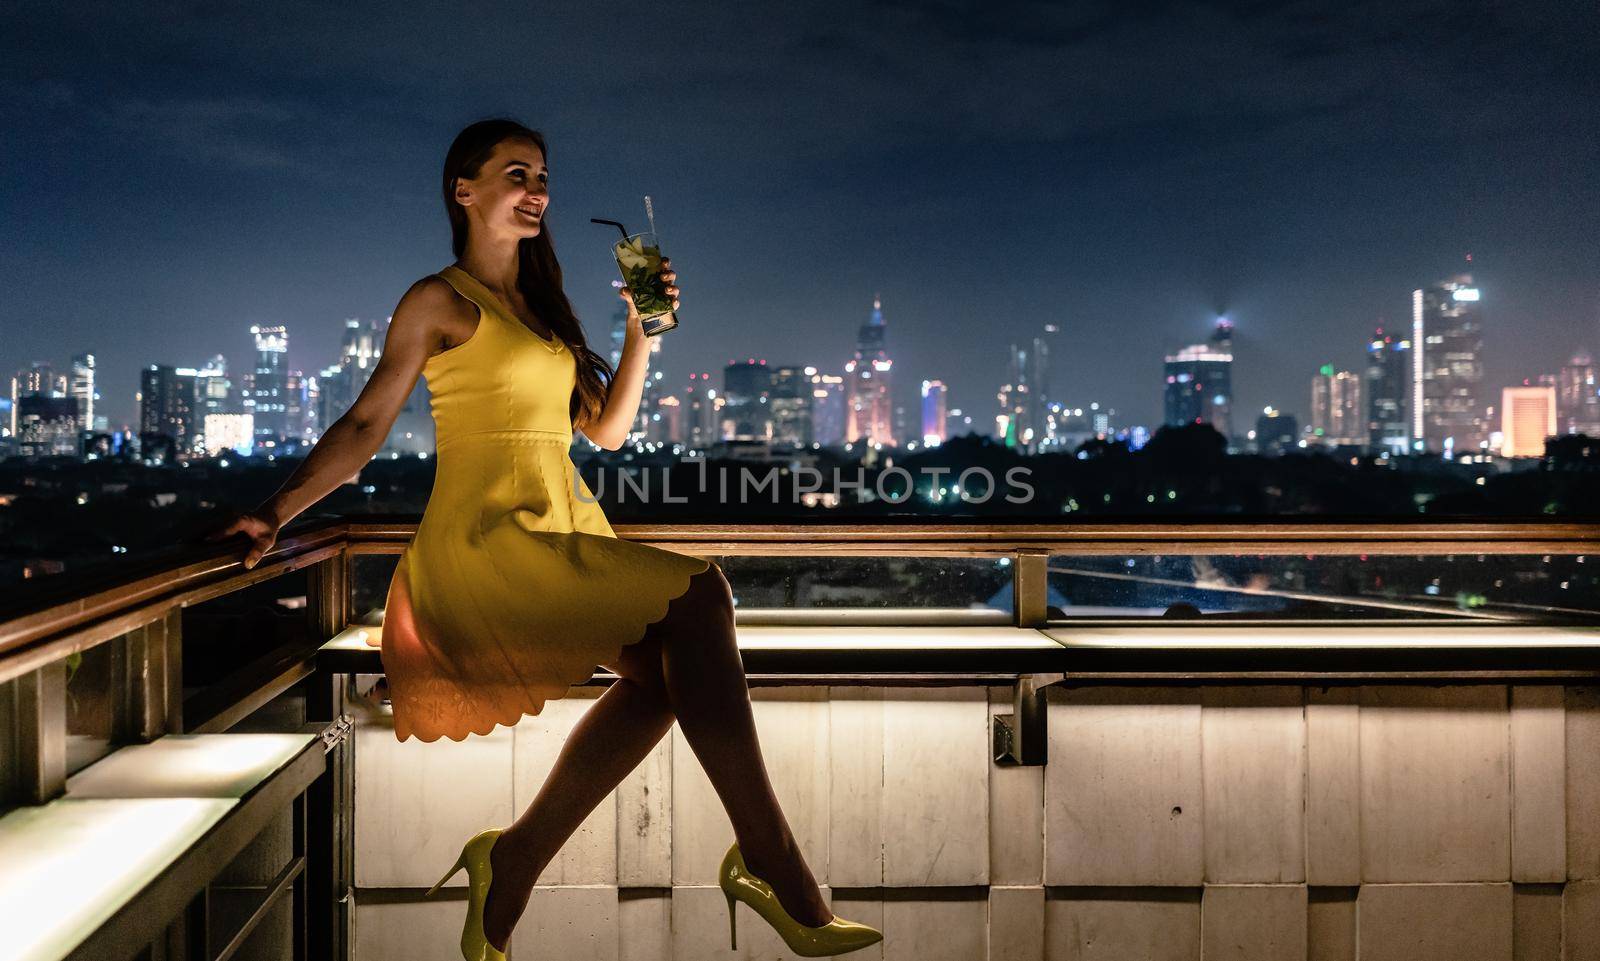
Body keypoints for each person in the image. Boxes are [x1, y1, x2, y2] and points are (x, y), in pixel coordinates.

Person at [205, 119, 882, 960]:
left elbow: (609, 433)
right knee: (701, 591)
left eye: (543, 177)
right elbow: (365, 424)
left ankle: (514, 858)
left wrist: (641, 330)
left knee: (670, 675)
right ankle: (777, 865)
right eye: (516, 173)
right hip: (487, 543)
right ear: (464, 189)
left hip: (557, 526)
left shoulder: (543, 310)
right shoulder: (439, 299)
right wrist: (276, 511)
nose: (538, 190)